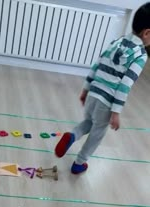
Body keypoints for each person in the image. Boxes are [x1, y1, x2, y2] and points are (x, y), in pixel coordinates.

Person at [55, 2, 150, 174]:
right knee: (98, 133)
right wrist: (116, 112)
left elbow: (97, 65)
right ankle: (79, 162)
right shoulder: (140, 55)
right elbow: (125, 85)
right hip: (107, 102)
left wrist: (85, 89)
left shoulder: (118, 41)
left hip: (93, 92)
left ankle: (73, 135)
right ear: (147, 33)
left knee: (89, 122)